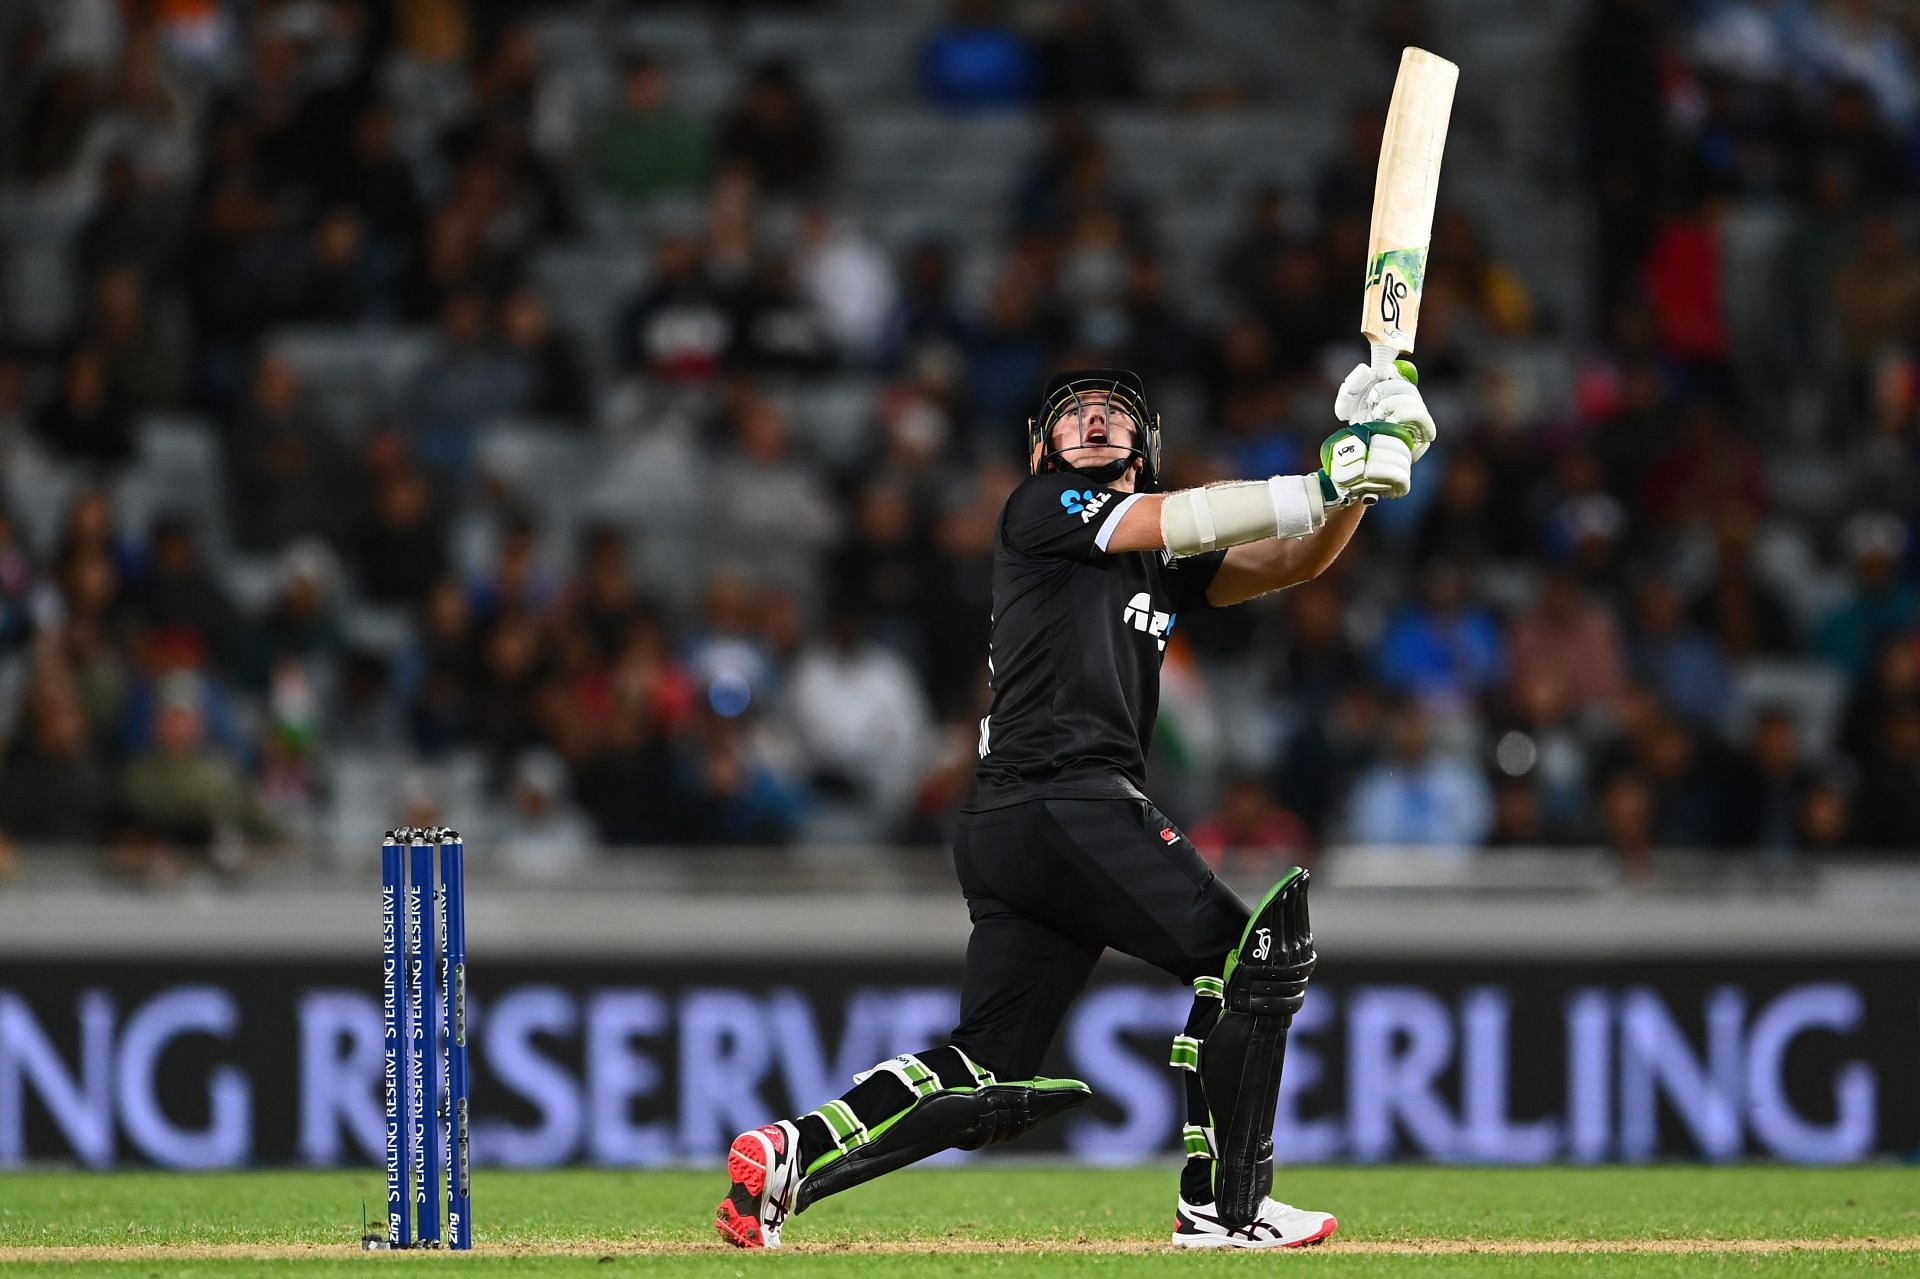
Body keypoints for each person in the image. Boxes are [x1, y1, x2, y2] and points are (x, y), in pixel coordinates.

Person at [714, 362, 1436, 1249]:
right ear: (1042, 448)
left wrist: (1368, 475)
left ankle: (788, 1154)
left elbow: (1296, 558)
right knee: (1254, 960)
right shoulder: (1040, 508)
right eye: (1075, 415)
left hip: (1022, 822)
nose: (1093, 420)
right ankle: (1224, 1205)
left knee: (987, 1066)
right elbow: (1186, 514)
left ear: (1146, 446)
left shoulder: (1156, 560)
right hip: (1067, 794)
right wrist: (1329, 473)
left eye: (1113, 413)